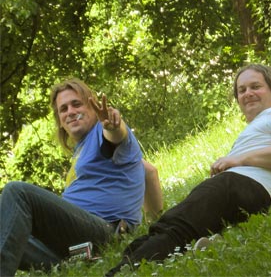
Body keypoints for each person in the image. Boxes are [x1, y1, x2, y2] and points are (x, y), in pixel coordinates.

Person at [106, 63, 271, 276]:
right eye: (242, 90)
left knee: (173, 229)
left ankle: (120, 273)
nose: (248, 93)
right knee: (156, 237)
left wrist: (238, 160)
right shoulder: (259, 128)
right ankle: (203, 246)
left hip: (235, 185)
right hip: (249, 195)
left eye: (255, 86)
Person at [0, 78, 163, 276]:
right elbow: (148, 171)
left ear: (93, 107)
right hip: (72, 248)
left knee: (18, 192)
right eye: (63, 109)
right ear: (60, 121)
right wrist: (155, 223)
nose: (70, 111)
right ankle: (66, 263)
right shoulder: (82, 150)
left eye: (76, 104)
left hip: (101, 232)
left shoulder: (101, 133)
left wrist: (112, 126)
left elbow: (114, 136)